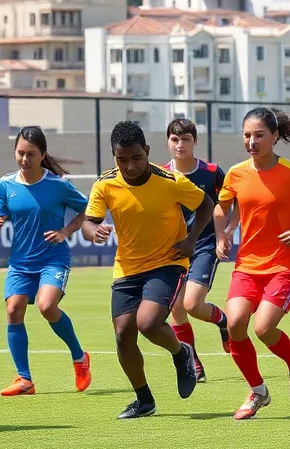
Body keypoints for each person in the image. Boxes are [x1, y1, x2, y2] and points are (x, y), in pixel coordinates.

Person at [81, 121, 214, 419]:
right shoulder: (105, 184)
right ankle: (144, 400)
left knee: (148, 323)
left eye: (136, 158)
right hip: (127, 268)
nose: (129, 166)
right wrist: (93, 231)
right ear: (114, 156)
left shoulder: (171, 180)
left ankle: (182, 354)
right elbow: (89, 222)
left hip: (168, 262)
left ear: (148, 152)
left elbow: (206, 205)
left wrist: (192, 239)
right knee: (123, 335)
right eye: (122, 159)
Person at [215, 107, 290, 420]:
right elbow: (222, 208)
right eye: (247, 135)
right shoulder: (236, 173)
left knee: (264, 327)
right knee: (235, 325)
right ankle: (258, 392)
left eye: (259, 135)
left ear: (274, 136)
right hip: (247, 264)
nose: (252, 141)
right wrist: (222, 234)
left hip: (286, 264)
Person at [0, 126, 91, 397]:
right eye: (20, 153)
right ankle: (25, 379)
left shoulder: (58, 185)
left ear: (42, 154)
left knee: (47, 306)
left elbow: (87, 210)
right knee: (13, 310)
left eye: (31, 154)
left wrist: (66, 232)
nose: (24, 159)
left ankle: (80, 358)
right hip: (21, 262)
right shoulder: (5, 184)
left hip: (52, 259)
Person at [164, 118, 230, 381]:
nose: (180, 145)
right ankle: (193, 362)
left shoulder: (212, 172)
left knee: (191, 304)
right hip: (173, 249)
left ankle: (222, 321)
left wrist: (224, 233)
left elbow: (228, 202)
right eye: (174, 139)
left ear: (195, 141)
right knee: (175, 307)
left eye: (186, 139)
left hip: (204, 245)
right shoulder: (160, 174)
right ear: (168, 141)